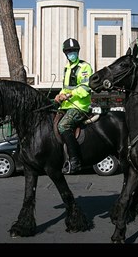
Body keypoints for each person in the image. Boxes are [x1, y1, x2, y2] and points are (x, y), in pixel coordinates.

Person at [54, 38, 93, 174]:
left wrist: (69, 95)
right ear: (65, 53)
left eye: (74, 51)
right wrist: (59, 95)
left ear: (78, 51)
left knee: (63, 125)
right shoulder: (67, 68)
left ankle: (75, 161)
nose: (72, 53)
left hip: (80, 106)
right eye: (69, 51)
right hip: (66, 105)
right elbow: (65, 88)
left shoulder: (85, 67)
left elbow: (85, 87)